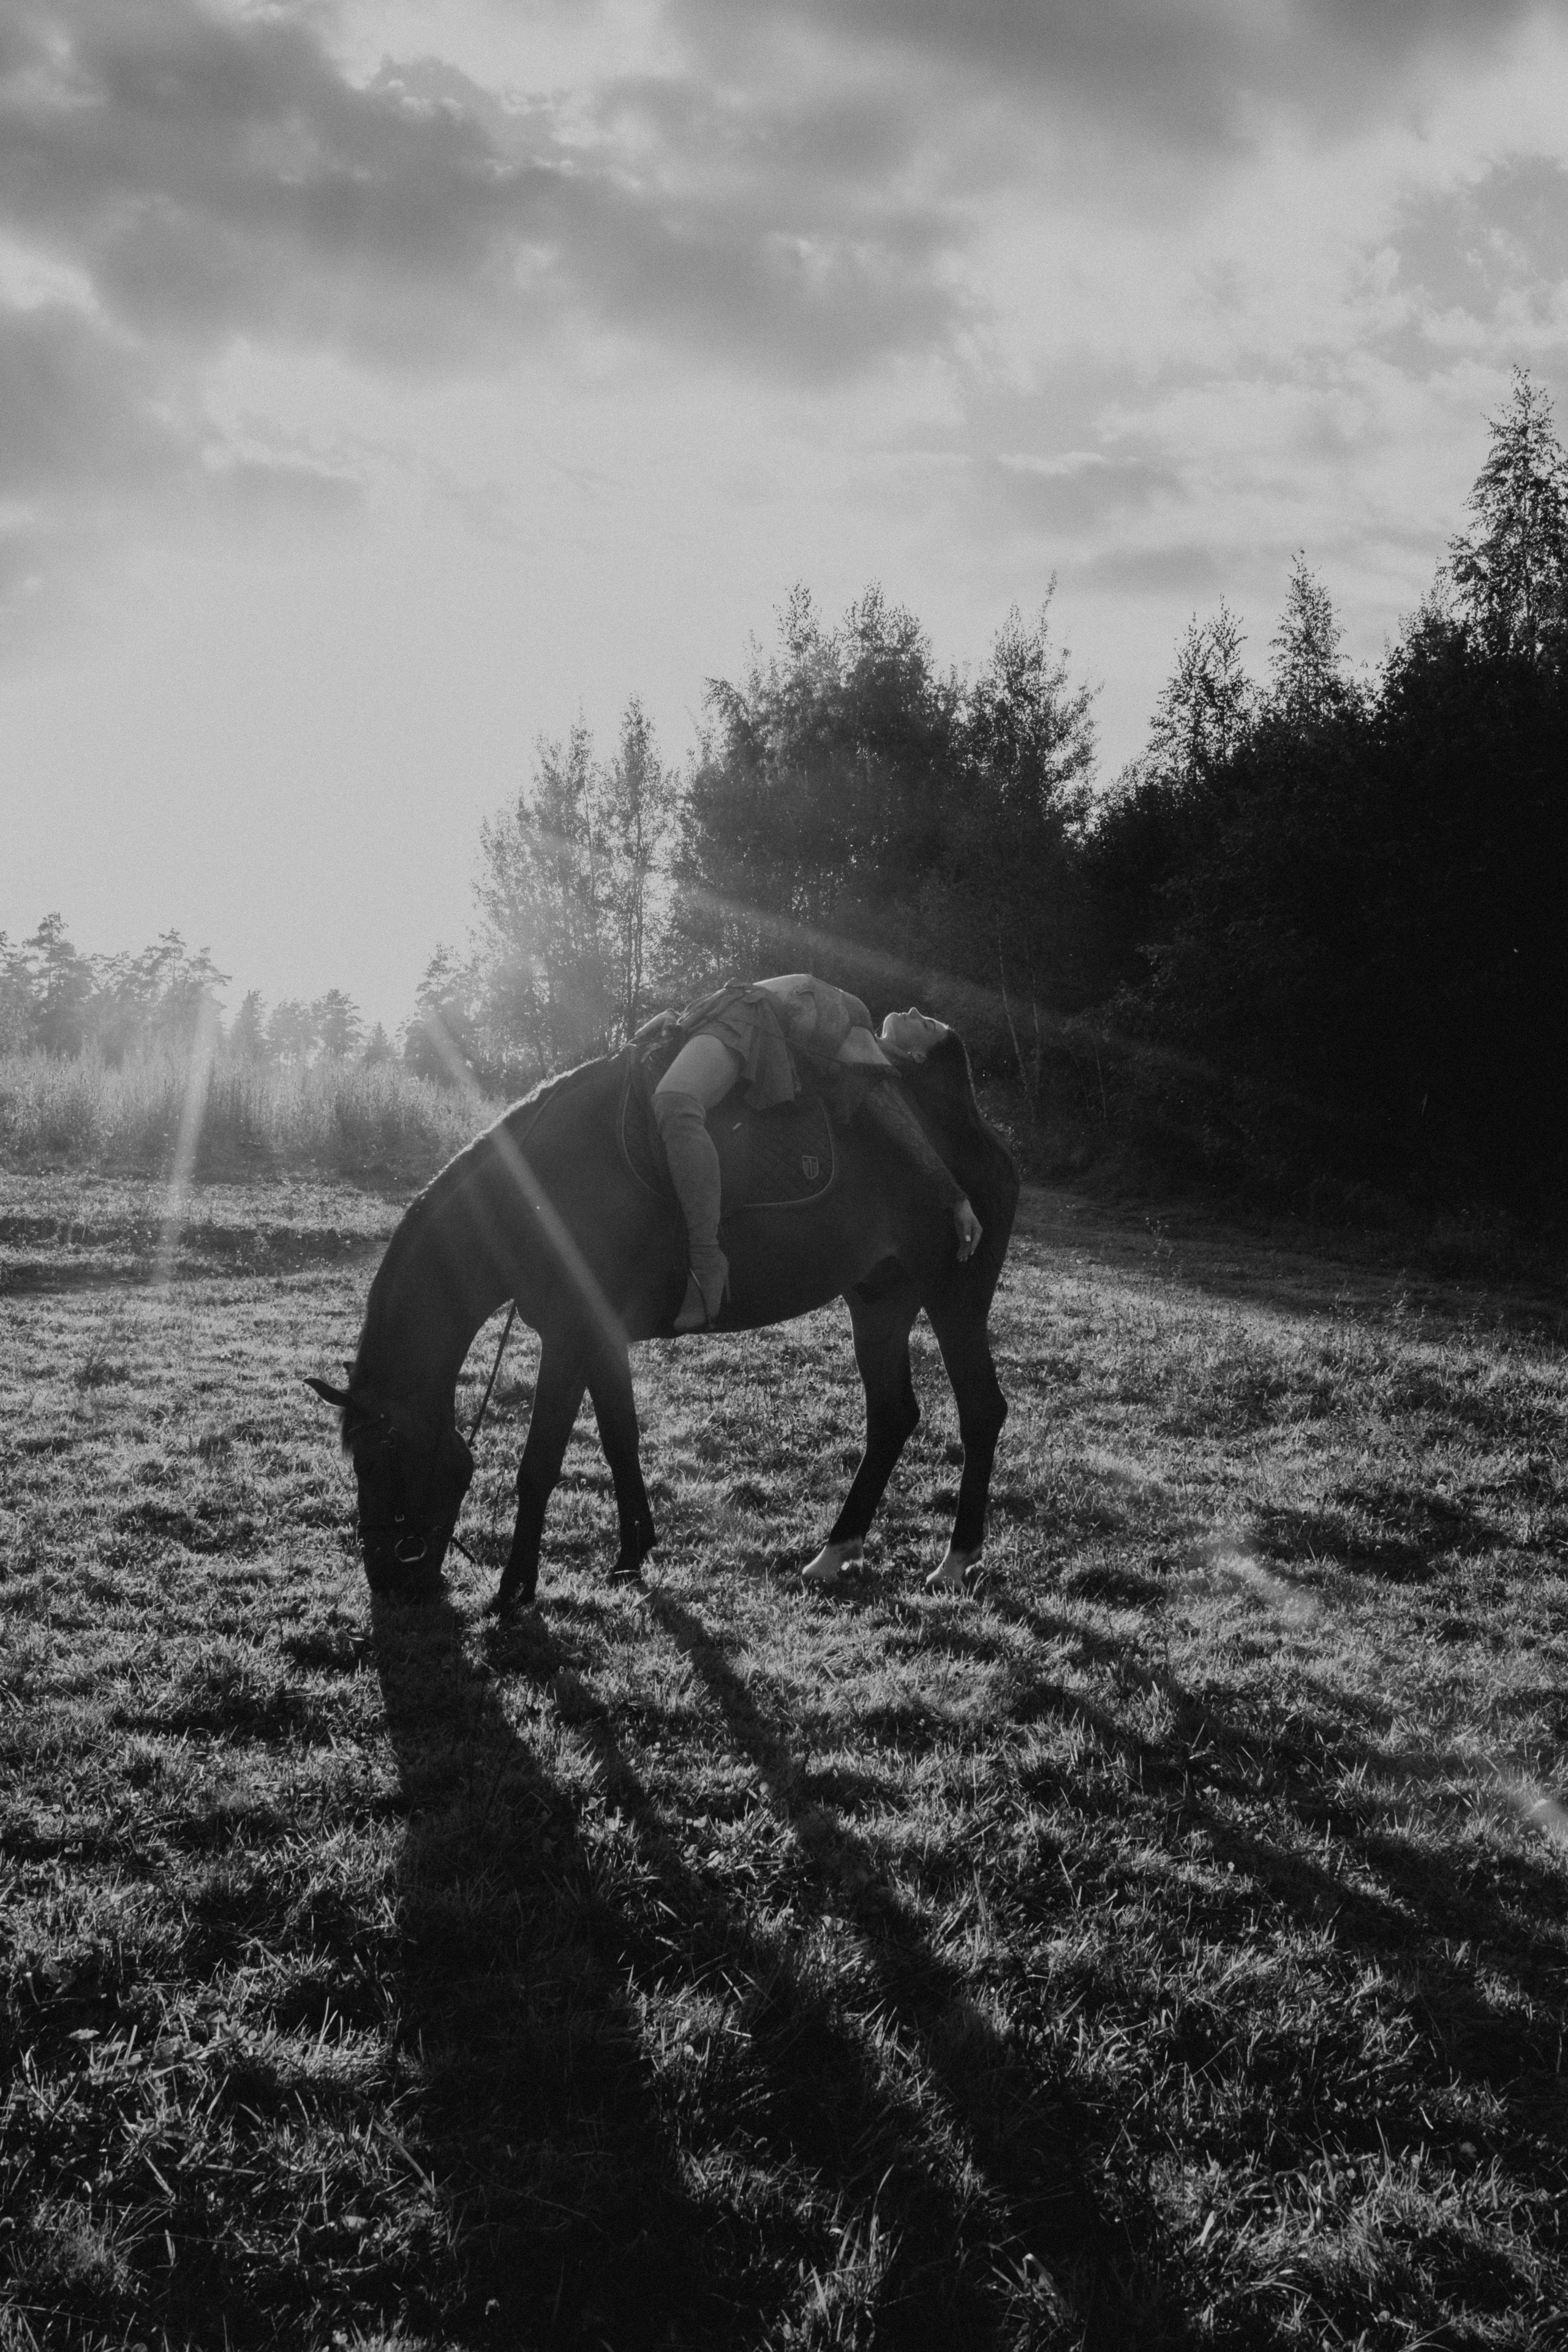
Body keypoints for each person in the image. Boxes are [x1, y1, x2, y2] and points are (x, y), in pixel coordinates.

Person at [652, 974, 982, 1331]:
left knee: (677, 1104)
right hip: (719, 1009)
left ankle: (706, 1266)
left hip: (745, 1019)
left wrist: (956, 1197)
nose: (916, 1011)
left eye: (927, 1025)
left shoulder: (859, 1037)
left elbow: (896, 1119)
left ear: (918, 1056)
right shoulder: (859, 1034)